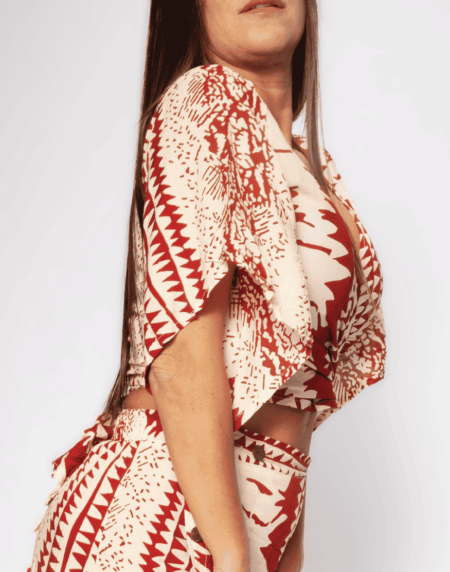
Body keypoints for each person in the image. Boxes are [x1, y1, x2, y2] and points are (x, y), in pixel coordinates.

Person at [27, 1, 387, 571]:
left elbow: (296, 401)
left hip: (236, 527)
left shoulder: (309, 166)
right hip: (161, 523)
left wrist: (283, 550)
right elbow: (181, 362)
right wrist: (232, 556)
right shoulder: (204, 102)